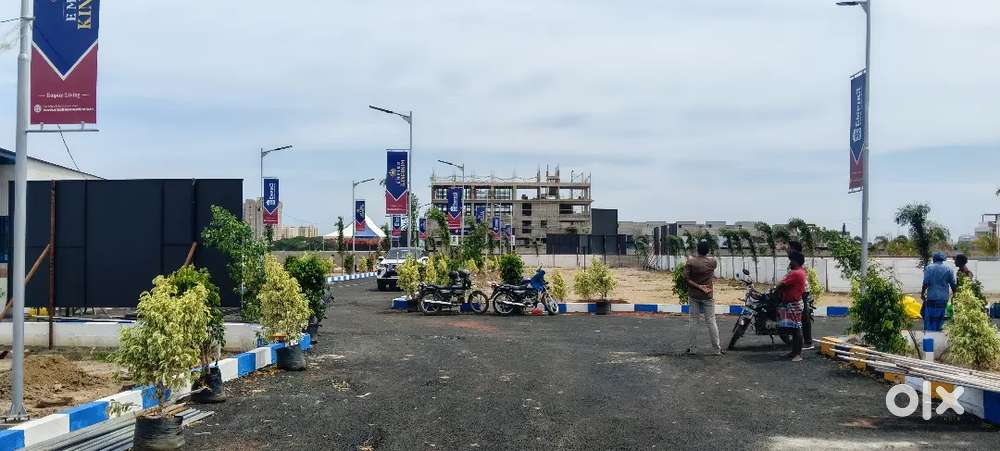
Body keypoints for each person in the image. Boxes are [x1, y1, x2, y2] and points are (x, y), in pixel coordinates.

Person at [685, 239, 722, 356]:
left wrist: (699, 286)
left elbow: (686, 279)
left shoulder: (690, 261)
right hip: (708, 295)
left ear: (697, 249)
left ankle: (693, 349)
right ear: (708, 250)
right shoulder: (713, 262)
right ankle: (716, 349)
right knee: (711, 321)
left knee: (693, 321)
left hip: (694, 295)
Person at [775, 251, 807, 362]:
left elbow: (781, 284)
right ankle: (794, 352)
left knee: (796, 329)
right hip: (794, 302)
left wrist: (777, 289)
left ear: (795, 261)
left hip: (794, 303)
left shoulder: (795, 273)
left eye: (791, 261)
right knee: (794, 329)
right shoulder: (800, 271)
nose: (790, 263)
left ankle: (798, 354)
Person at [787, 241, 814, 350]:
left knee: (804, 316)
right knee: (797, 315)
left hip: (802, 291)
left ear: (794, 249)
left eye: (789, 247)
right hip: (796, 290)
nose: (788, 249)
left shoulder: (800, 261)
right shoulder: (793, 260)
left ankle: (808, 342)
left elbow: (798, 276)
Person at [921, 252, 956, 332]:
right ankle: (938, 331)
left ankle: (930, 333)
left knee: (930, 317)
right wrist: (954, 293)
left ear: (934, 259)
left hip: (931, 297)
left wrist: (922, 293)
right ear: (943, 260)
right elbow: (953, 284)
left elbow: (925, 283)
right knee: (940, 316)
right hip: (943, 298)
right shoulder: (949, 269)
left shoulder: (928, 268)